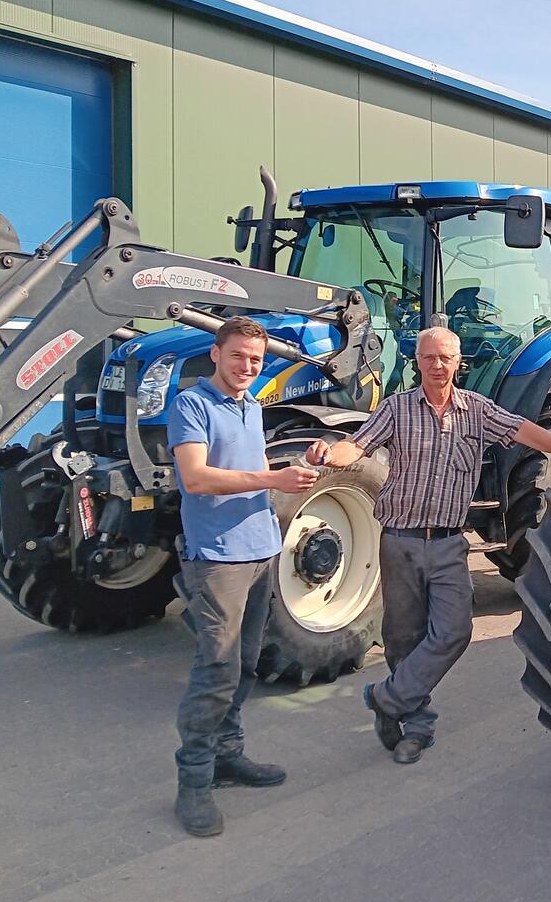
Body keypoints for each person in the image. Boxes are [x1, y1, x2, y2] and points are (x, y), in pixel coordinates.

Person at [304, 326, 551, 764]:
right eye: (428, 358)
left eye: (445, 358)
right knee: (403, 640)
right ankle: (416, 725)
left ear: (459, 362)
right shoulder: (397, 408)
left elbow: (521, 430)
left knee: (455, 631)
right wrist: (328, 454)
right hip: (400, 542)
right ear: (417, 362)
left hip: (447, 544)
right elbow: (357, 446)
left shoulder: (476, 410)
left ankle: (387, 697)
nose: (437, 366)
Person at [167, 316, 320, 836]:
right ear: (216, 353)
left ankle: (228, 755)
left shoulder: (252, 406)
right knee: (216, 669)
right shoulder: (192, 405)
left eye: (255, 360)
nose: (247, 367)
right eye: (238, 357)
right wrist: (273, 477)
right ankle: (194, 782)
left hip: (260, 551)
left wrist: (297, 466)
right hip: (217, 557)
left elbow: (249, 470)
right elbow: (196, 477)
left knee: (247, 665)